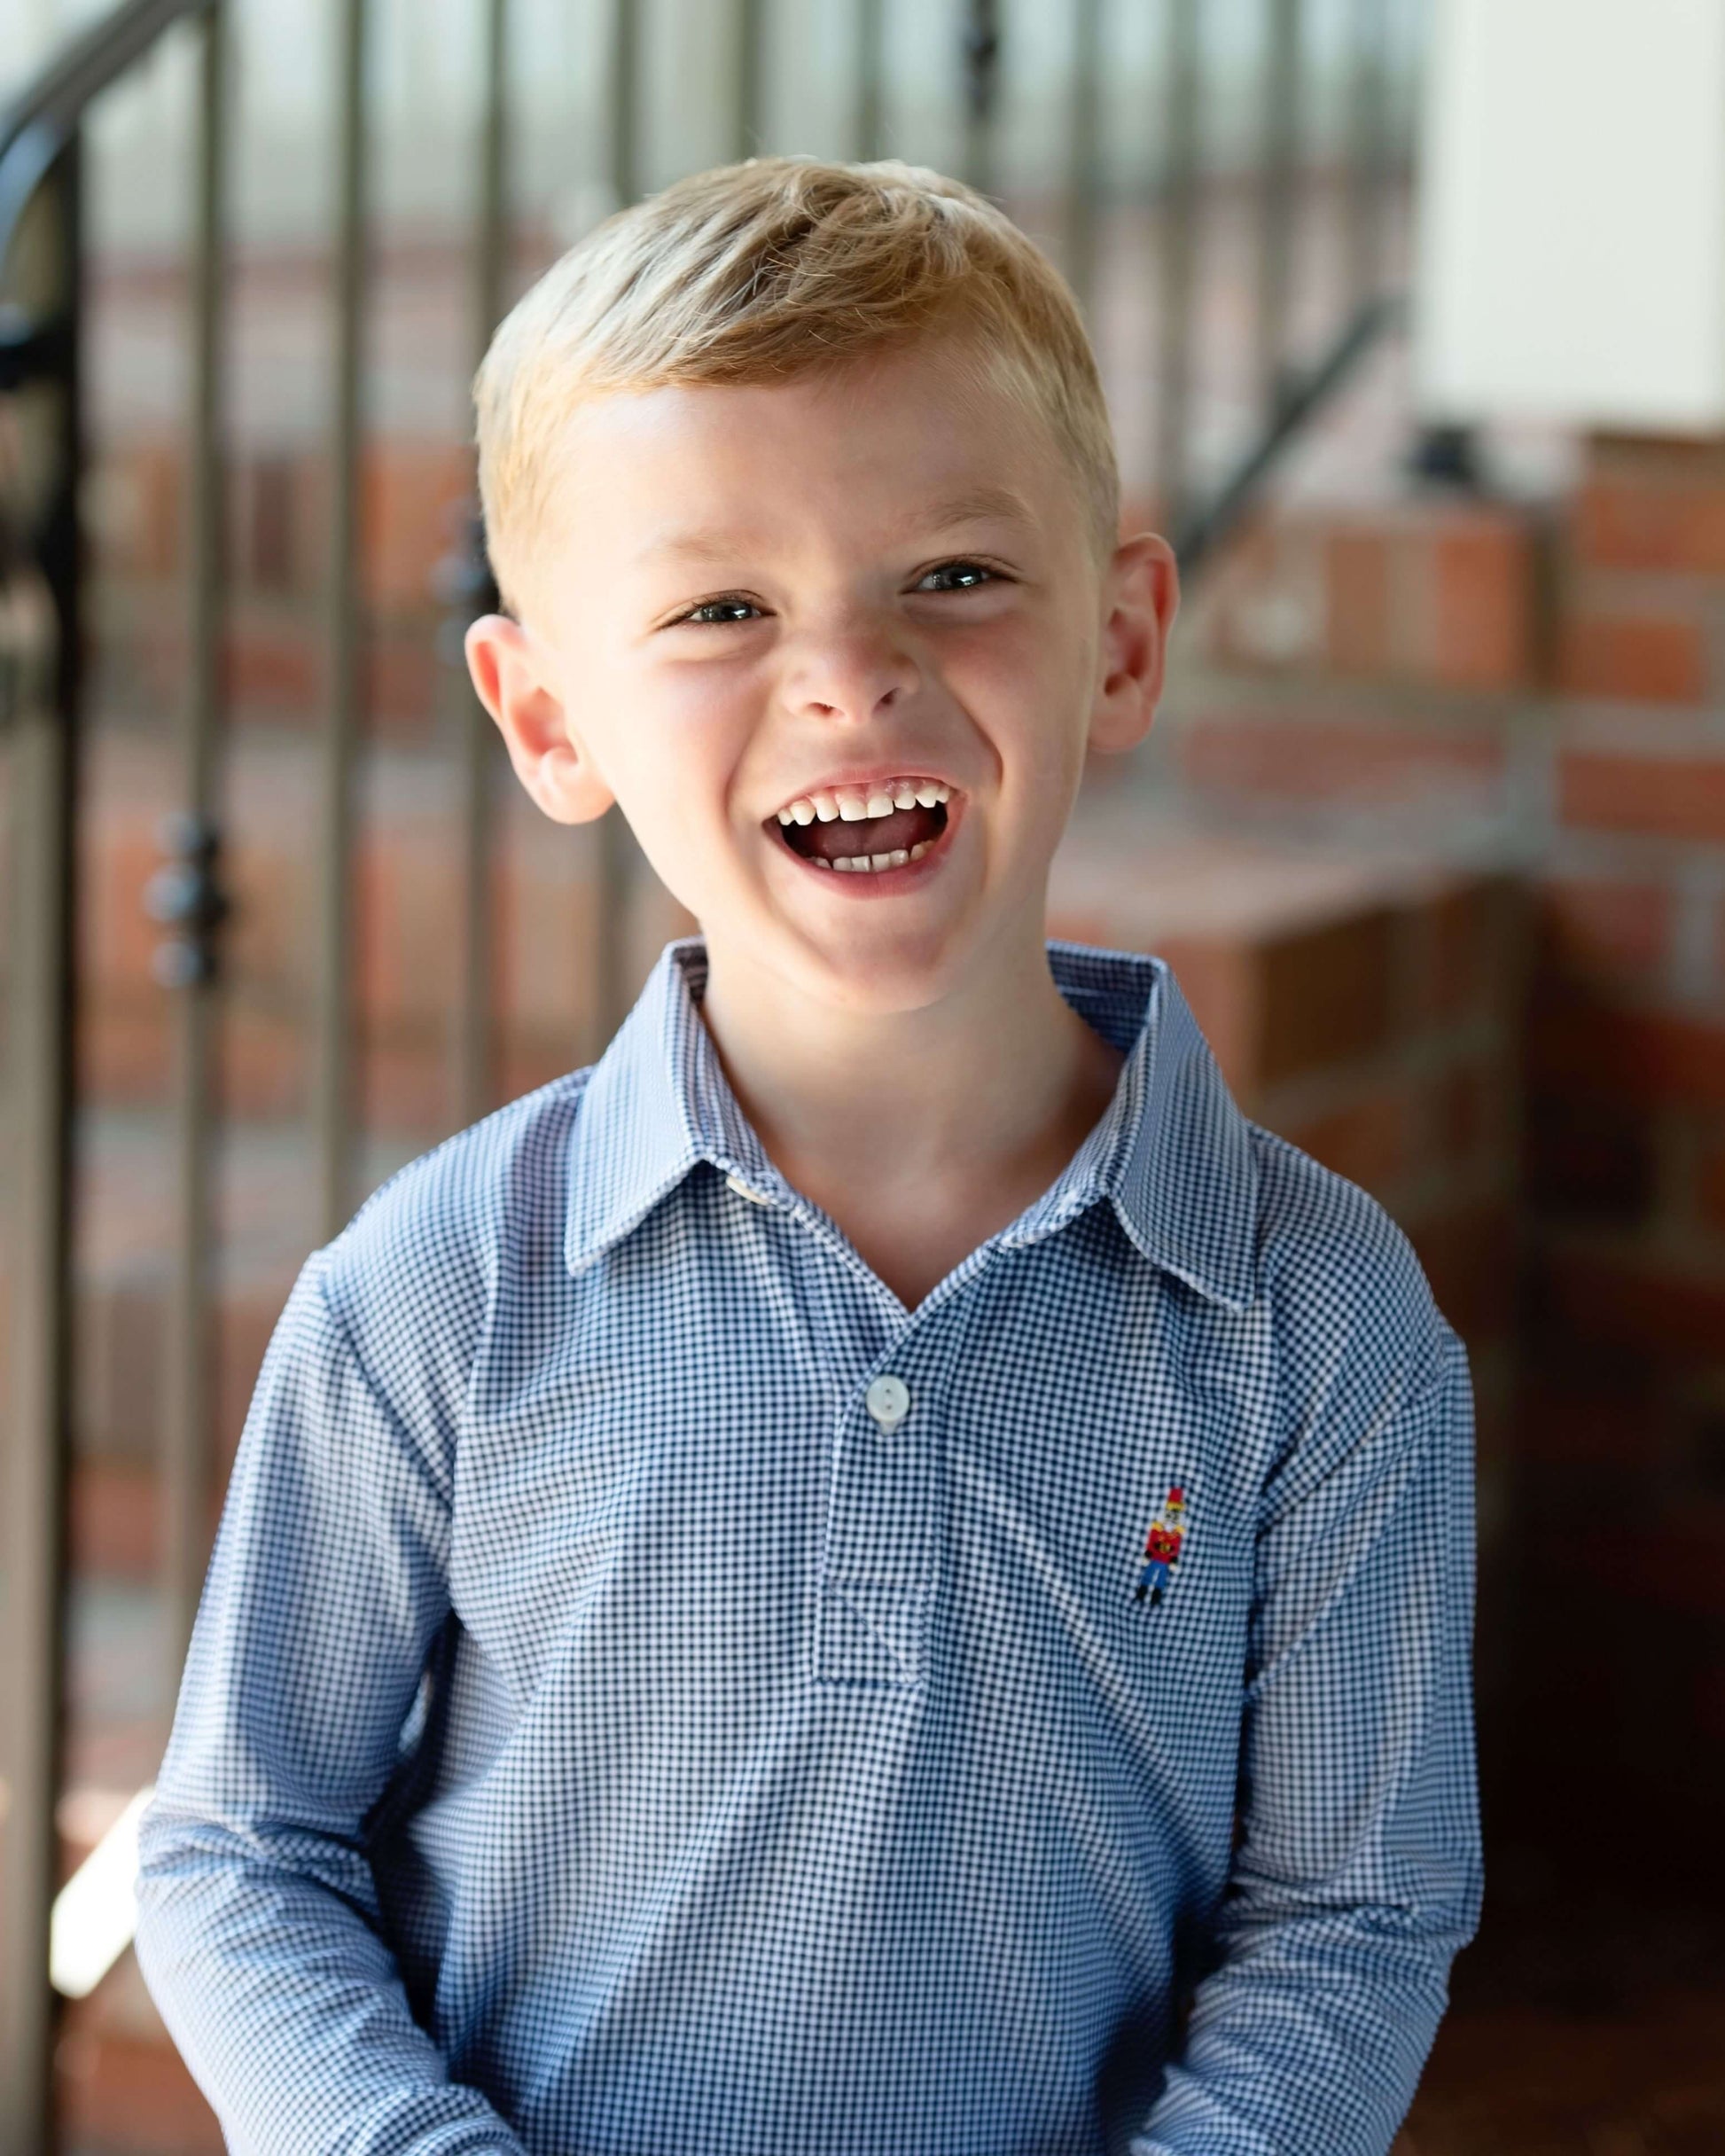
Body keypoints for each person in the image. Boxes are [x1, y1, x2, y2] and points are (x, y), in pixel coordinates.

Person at [135, 155, 1481, 2156]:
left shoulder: (1322, 1319)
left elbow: (1350, 1918)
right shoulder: (433, 1290)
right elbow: (240, 1853)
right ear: (548, 717)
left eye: (955, 574)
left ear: (1121, 640)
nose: (849, 672)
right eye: (720, 607)